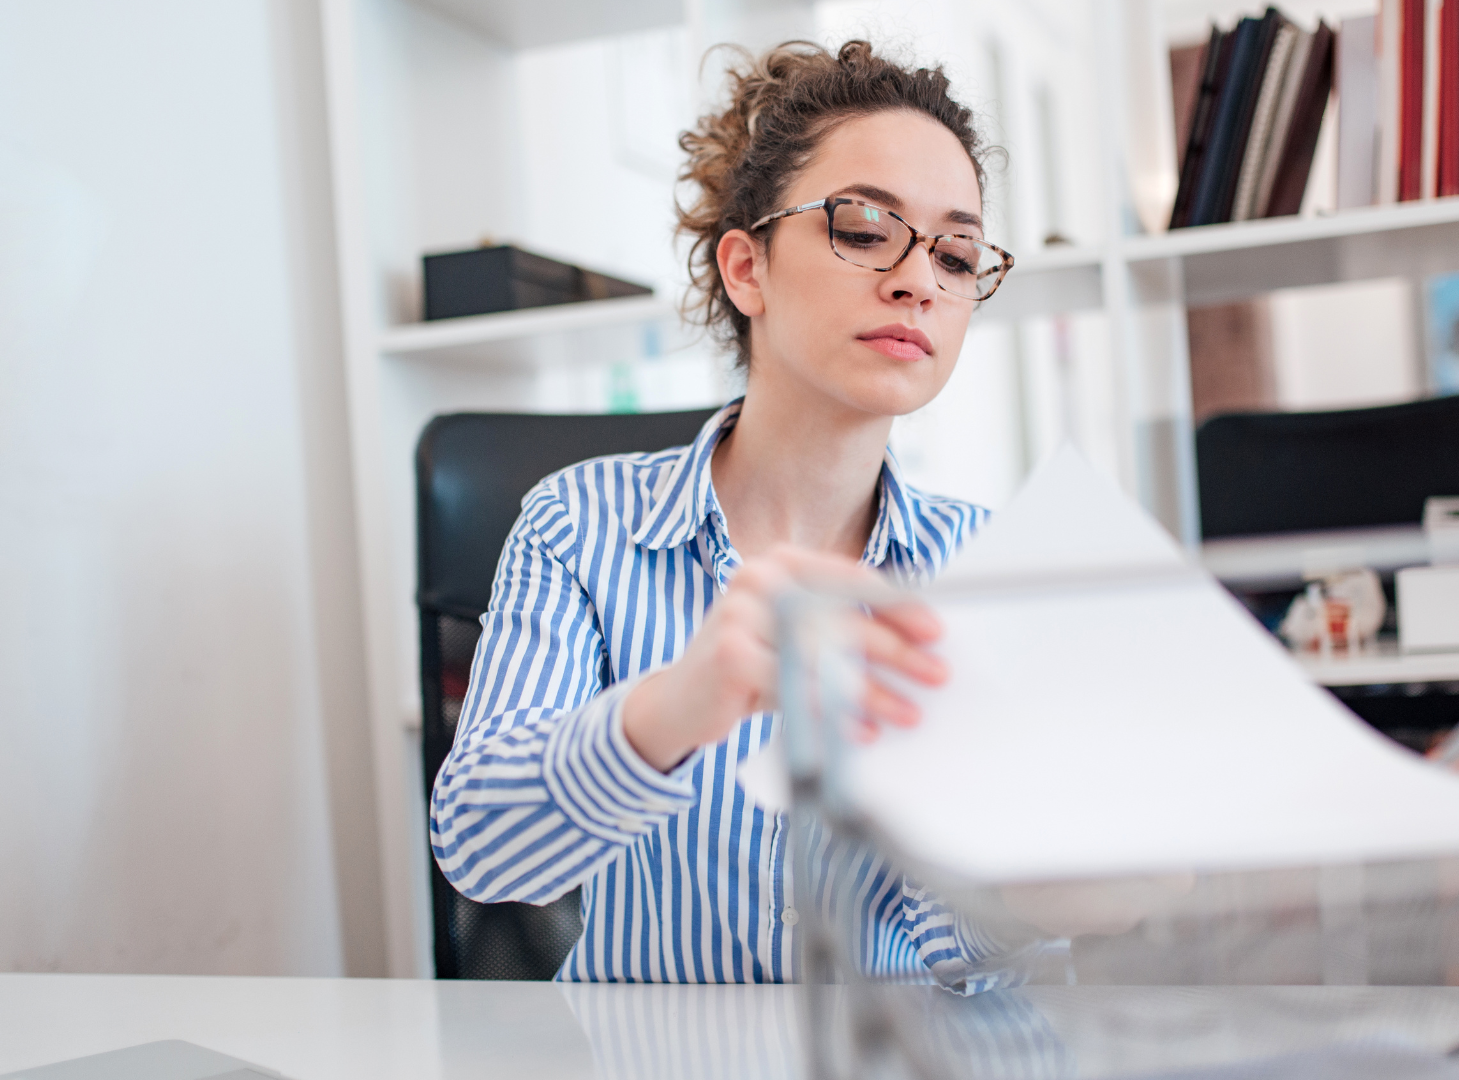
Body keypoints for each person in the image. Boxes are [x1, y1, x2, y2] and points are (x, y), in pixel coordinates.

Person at [430, 39, 1020, 992]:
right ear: (747, 270)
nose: (921, 280)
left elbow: (988, 962)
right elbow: (483, 854)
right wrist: (673, 707)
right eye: (865, 227)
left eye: (957, 251)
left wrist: (1041, 884)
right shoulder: (578, 526)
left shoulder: (987, 564)